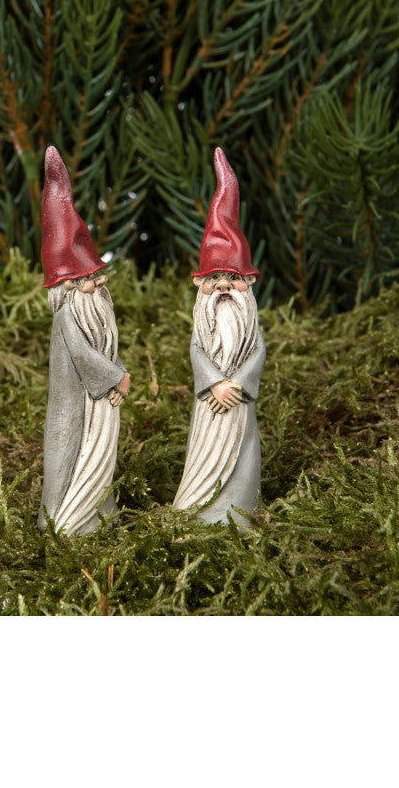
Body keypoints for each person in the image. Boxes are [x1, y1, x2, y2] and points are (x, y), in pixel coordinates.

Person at [36, 147, 130, 534]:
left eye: (96, 277)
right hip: (76, 402)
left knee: (97, 454)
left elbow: (106, 347)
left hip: (96, 399)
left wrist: (117, 369)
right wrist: (116, 377)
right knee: (71, 451)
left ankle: (98, 511)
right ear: (67, 286)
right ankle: (64, 519)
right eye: (85, 280)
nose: (95, 285)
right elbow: (82, 354)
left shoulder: (94, 304)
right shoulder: (67, 315)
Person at [173, 147, 265, 526]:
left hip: (239, 400)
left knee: (243, 454)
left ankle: (239, 513)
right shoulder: (202, 325)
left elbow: (257, 353)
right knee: (205, 451)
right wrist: (214, 384)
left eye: (233, 278)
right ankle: (200, 509)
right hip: (211, 402)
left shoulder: (250, 326)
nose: (224, 286)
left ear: (249, 283)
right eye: (215, 279)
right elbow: (197, 351)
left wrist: (237, 385)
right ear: (201, 285)